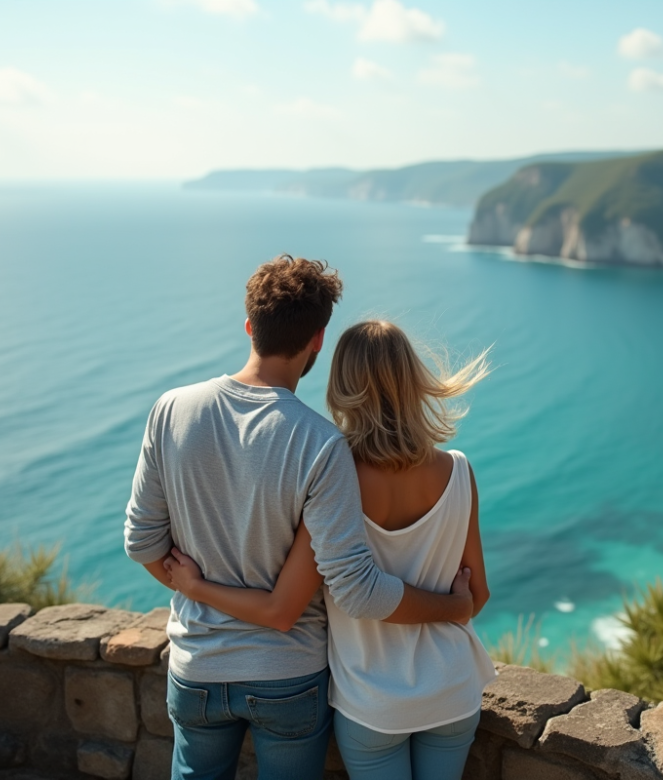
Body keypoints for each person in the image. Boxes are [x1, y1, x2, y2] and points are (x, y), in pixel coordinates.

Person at [123, 257, 474, 780]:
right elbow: (305, 607)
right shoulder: (321, 445)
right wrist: (455, 607)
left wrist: (197, 590)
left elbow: (141, 542)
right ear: (317, 338)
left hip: (196, 665)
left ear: (249, 326)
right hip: (288, 677)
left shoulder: (171, 409)